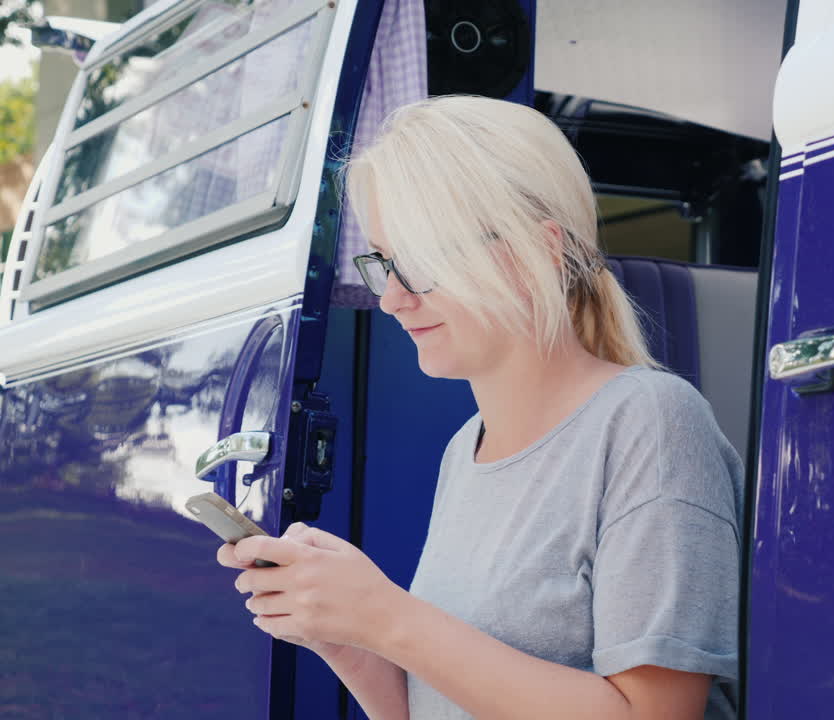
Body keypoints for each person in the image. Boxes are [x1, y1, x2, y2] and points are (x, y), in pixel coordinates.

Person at [217, 95, 745, 720]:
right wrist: (342, 631)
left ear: (541, 251)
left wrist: (387, 617)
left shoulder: (652, 423)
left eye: (420, 263)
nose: (391, 301)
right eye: (385, 265)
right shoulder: (464, 451)